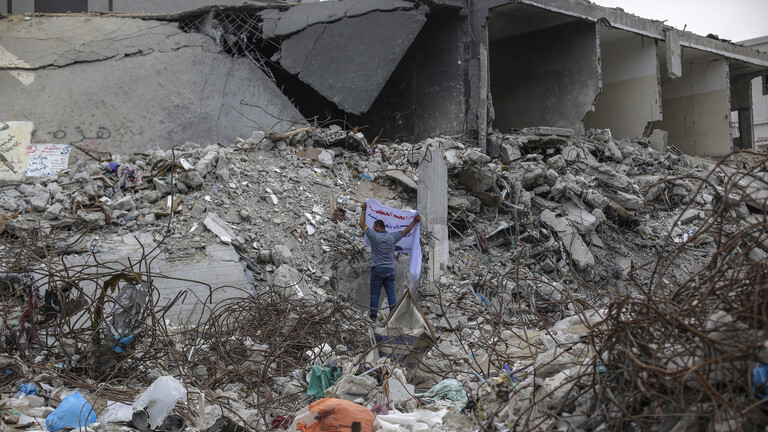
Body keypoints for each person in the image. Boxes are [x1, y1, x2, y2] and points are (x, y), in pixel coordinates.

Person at [359, 202, 421, 320]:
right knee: (391, 293)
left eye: (374, 227)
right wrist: (414, 221)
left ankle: (373, 316)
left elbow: (362, 224)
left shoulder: (374, 236)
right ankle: (393, 315)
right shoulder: (393, 236)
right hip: (389, 270)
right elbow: (406, 231)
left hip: (377, 269)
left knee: (375, 293)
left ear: (378, 227)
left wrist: (363, 210)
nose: (374, 228)